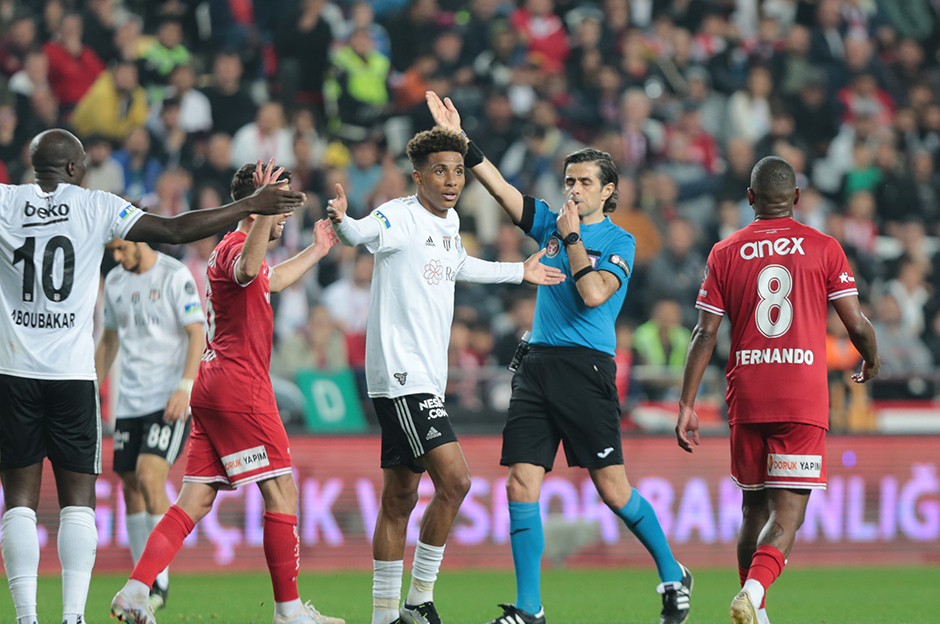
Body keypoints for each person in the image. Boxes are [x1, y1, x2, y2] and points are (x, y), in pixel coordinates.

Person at [0, 129, 302, 624]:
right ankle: (76, 616)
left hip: (14, 372)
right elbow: (177, 229)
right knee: (81, 501)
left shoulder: (6, 201)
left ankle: (30, 617)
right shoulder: (95, 205)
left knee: (20, 501)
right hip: (74, 377)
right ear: (77, 170)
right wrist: (254, 205)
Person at [426, 92, 693, 624]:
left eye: (585, 182)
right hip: (538, 364)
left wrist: (571, 237)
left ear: (608, 190)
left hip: (586, 367)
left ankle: (672, 571)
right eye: (569, 181)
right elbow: (502, 190)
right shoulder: (549, 222)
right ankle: (530, 608)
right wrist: (462, 142)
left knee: (613, 490)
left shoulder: (620, 239)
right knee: (521, 481)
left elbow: (594, 293)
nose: (573, 189)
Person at [325, 126, 565, 624]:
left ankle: (384, 615)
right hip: (401, 375)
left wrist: (519, 272)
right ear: (418, 177)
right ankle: (418, 599)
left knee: (400, 496)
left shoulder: (450, 222)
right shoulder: (397, 216)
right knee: (455, 482)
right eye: (440, 170)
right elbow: (358, 235)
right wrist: (343, 220)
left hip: (424, 377)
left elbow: (459, 265)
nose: (452, 179)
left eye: (458, 170)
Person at [110, 161, 343, 624]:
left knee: (193, 501)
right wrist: (259, 210)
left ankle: (136, 590)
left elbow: (267, 280)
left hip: (212, 381)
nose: (284, 219)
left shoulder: (226, 248)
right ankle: (289, 613)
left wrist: (318, 250)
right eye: (280, 207)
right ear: (260, 206)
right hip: (241, 386)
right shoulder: (241, 245)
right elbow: (251, 268)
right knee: (282, 494)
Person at [675, 156, 880, 624]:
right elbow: (856, 323)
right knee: (788, 513)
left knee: (752, 508)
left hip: (746, 393)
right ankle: (753, 591)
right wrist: (871, 357)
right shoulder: (824, 248)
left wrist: (686, 404)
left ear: (750, 199)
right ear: (797, 199)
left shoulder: (725, 251)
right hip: (801, 395)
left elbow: (704, 334)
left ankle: (758, 612)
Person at [95, 236, 206, 612]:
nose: (116, 256)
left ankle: (157, 582)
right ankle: (140, 576)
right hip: (129, 400)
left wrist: (185, 387)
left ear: (140, 238)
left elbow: (197, 332)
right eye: (111, 250)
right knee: (130, 485)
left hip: (168, 400)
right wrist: (90, 390)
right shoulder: (114, 282)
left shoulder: (175, 276)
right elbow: (109, 340)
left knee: (149, 474)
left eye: (121, 248)